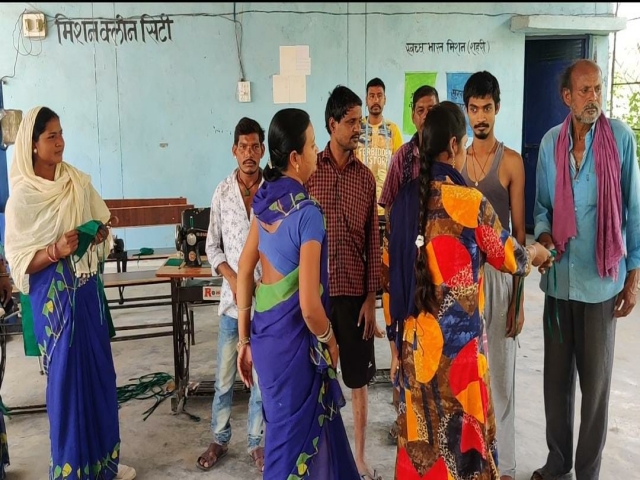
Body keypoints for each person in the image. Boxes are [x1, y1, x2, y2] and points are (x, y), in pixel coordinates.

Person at [388, 102, 553, 480]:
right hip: (459, 359)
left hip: (415, 351)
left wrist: (398, 347)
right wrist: (539, 254)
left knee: (424, 445)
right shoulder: (469, 203)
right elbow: (512, 257)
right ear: (454, 146)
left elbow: (388, 277)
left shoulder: (402, 203)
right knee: (462, 451)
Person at [3, 106, 135, 480]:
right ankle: (72, 470)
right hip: (54, 304)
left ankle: (104, 464)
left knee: (99, 376)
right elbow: (18, 261)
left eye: (61, 134)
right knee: (66, 386)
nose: (60, 143)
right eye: (51, 137)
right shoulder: (23, 200)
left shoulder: (74, 181)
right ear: (32, 145)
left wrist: (100, 232)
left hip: (87, 293)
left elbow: (101, 216)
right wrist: (54, 251)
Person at [235, 108, 360, 479]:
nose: (316, 151)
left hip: (267, 342)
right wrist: (329, 338)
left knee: (282, 437)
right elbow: (308, 304)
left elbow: (244, 271)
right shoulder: (307, 214)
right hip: (296, 348)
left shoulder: (264, 204)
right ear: (295, 158)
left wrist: (244, 340)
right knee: (301, 440)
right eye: (311, 144)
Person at [532, 59, 640, 480]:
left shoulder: (620, 139)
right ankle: (558, 461)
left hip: (600, 284)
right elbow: (542, 207)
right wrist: (542, 238)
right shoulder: (550, 143)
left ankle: (587, 472)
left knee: (594, 388)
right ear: (567, 97)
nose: (593, 97)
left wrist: (633, 277)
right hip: (559, 281)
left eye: (598, 89)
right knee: (555, 384)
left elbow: (632, 210)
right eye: (585, 91)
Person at [306, 85, 383, 480]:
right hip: (315, 298)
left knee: (357, 380)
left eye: (359, 121)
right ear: (332, 124)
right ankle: (320, 459)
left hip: (355, 296)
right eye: (351, 122)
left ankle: (359, 456)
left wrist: (372, 299)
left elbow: (374, 240)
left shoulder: (366, 179)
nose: (358, 128)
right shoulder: (309, 174)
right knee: (316, 380)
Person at [461, 71, 526, 480]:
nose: (481, 116)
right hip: (463, 283)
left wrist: (518, 303)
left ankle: (507, 468)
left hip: (501, 281)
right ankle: (473, 465)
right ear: (466, 111)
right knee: (467, 379)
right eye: (474, 109)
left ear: (497, 108)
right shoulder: (457, 162)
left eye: (487, 108)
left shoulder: (513, 162)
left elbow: (519, 240)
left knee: (501, 379)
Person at [198, 117, 266, 473]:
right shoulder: (222, 192)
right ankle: (219, 438)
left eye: (255, 146)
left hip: (267, 304)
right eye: (243, 146)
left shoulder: (272, 190)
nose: (249, 153)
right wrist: (234, 278)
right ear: (234, 150)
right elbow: (212, 246)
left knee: (260, 381)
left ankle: (256, 443)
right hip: (230, 305)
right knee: (225, 377)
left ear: (263, 149)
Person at [378, 84, 439, 443]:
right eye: (421, 110)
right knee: (405, 346)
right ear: (413, 116)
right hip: (407, 261)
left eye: (433, 109)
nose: (426, 115)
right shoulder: (403, 157)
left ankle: (433, 423)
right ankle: (404, 419)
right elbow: (389, 207)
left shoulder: (449, 155)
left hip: (441, 270)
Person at [356, 77, 403, 217]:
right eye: (372, 96)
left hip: (386, 206)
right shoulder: (357, 128)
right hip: (360, 205)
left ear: (385, 99)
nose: (375, 100)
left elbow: (400, 167)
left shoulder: (392, 130)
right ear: (366, 100)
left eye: (379, 96)